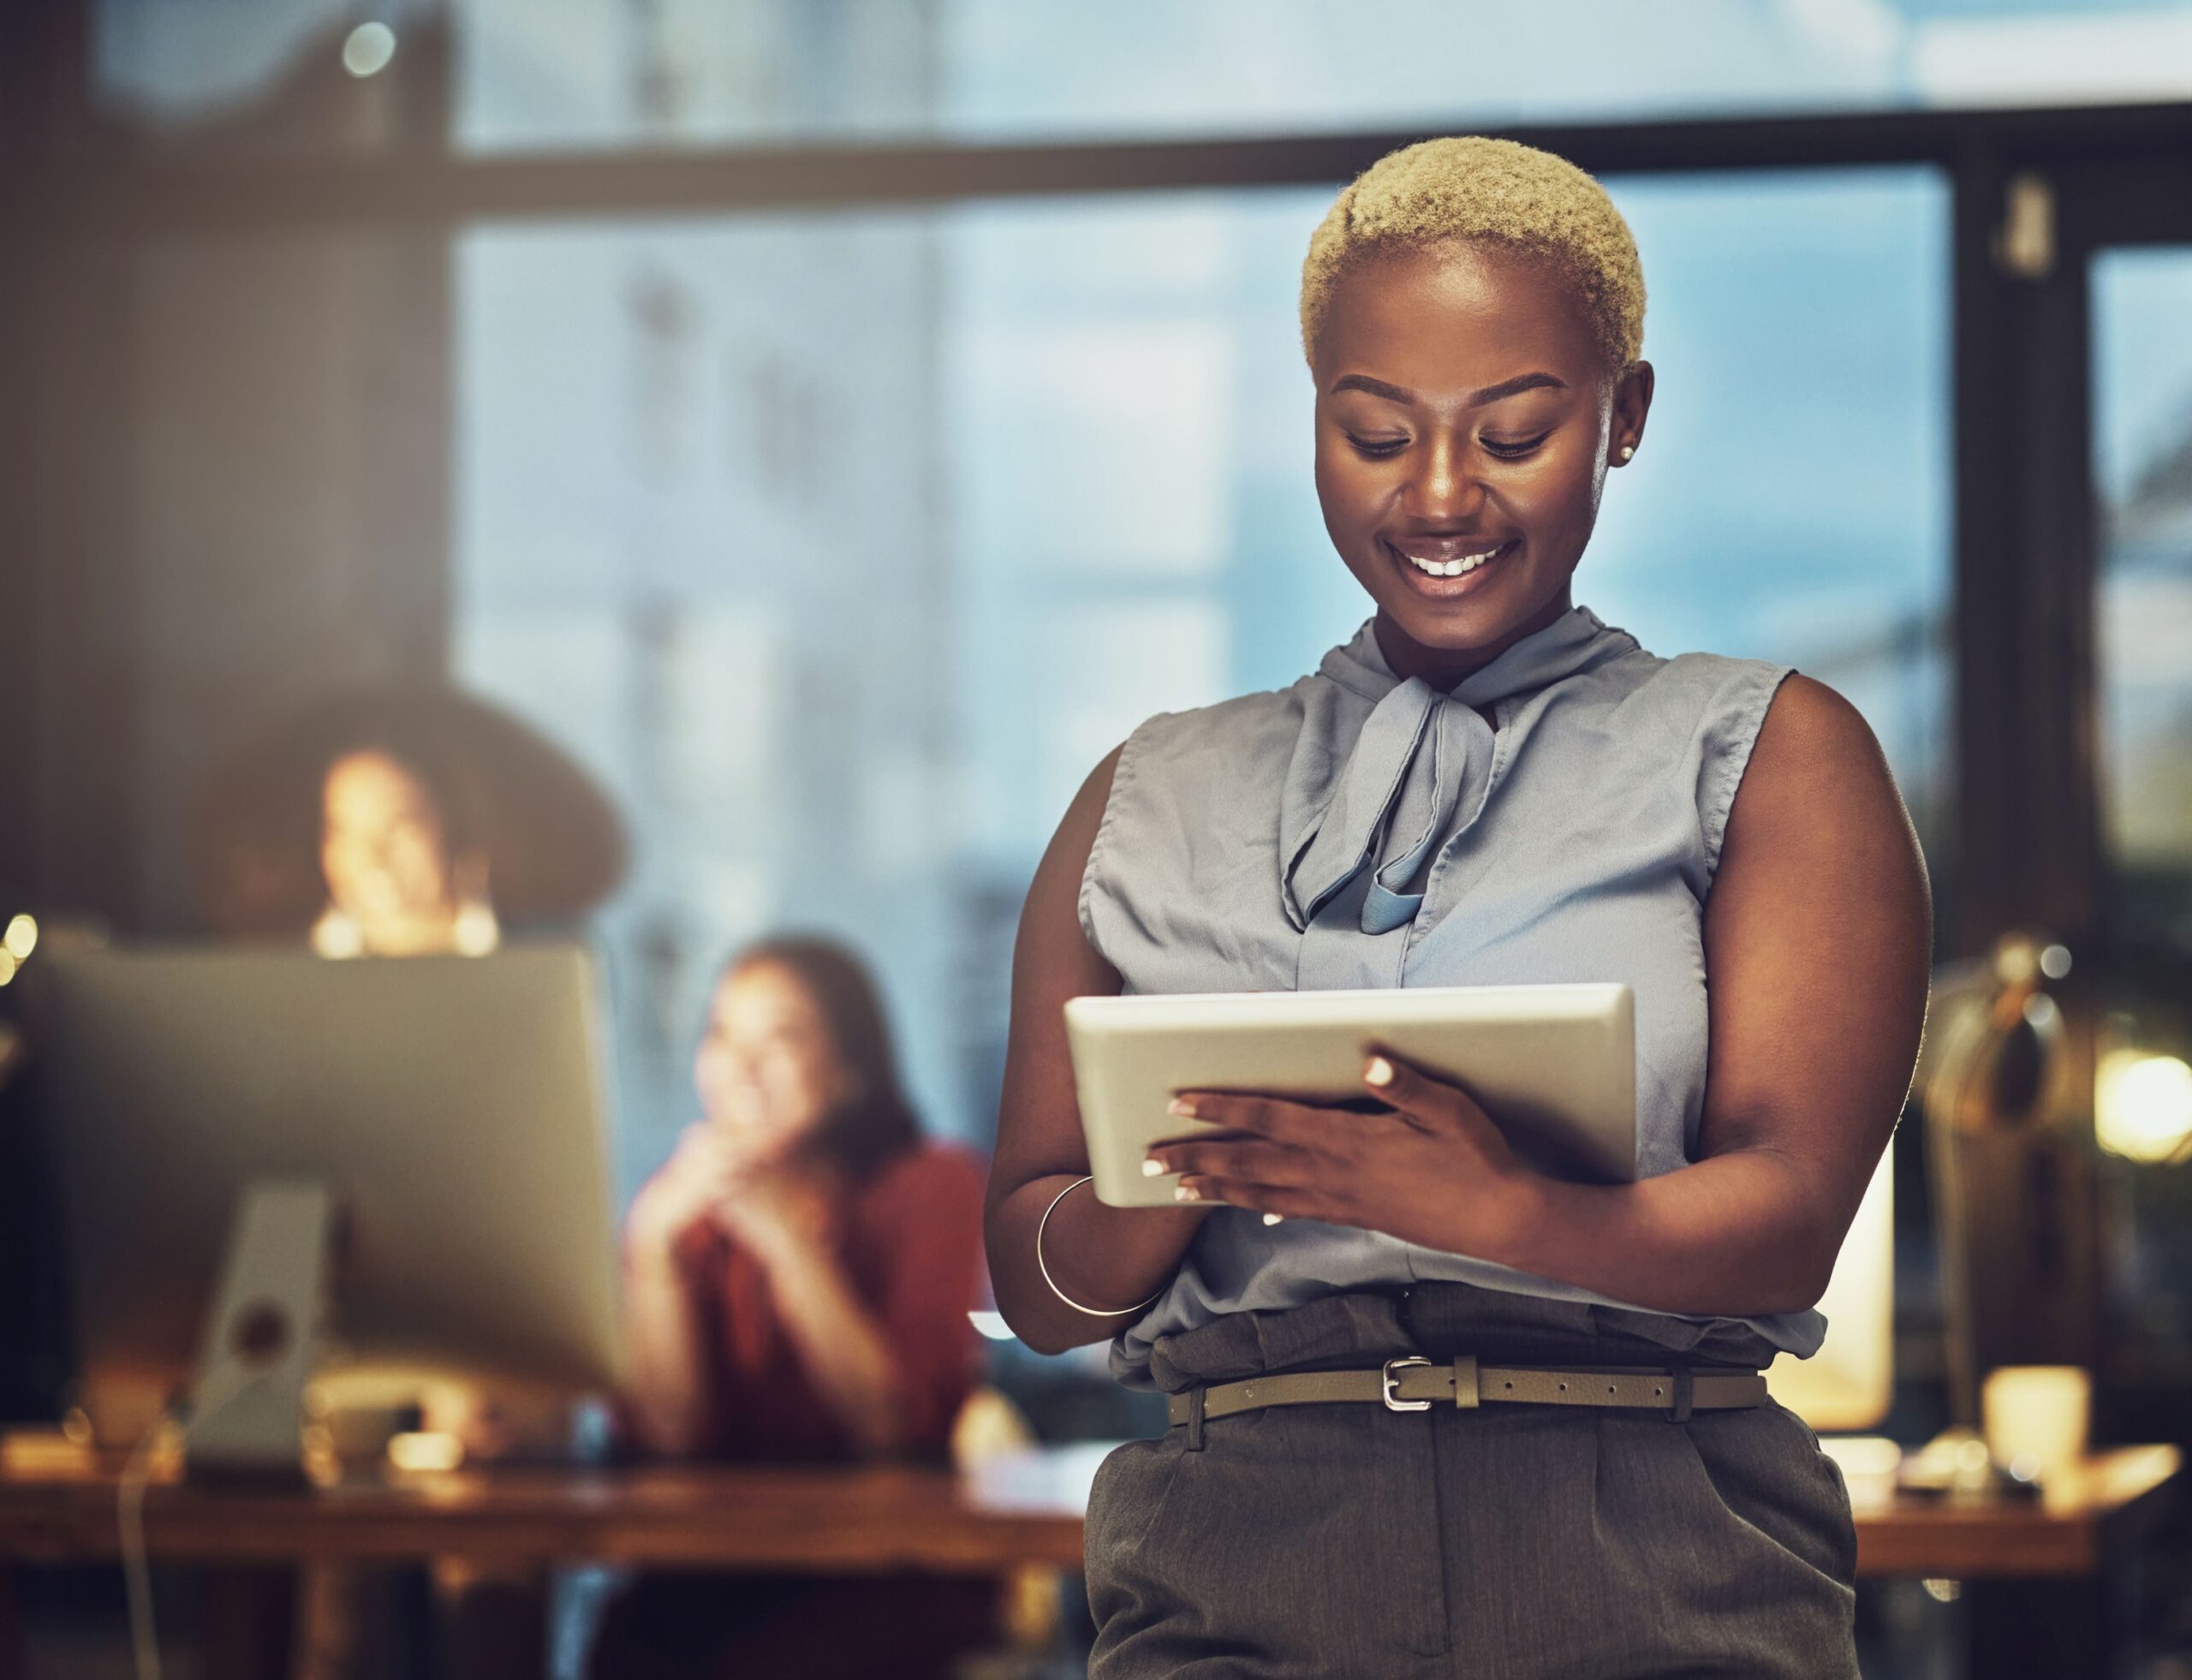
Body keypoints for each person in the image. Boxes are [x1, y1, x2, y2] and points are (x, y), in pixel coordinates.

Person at [986, 136, 1932, 1677]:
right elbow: (1035, 1279)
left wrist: (1505, 1213)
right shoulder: (1148, 794)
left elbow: (1791, 1218)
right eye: (1375, 433)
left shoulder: (1769, 754)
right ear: (1315, 425)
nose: (1438, 494)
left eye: (1513, 431)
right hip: (1241, 1570)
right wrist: (1181, 1174)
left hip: (1657, 1564)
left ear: (1623, 417)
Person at [591, 936, 997, 1679]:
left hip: (884, 1570)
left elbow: (892, 1423)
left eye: (779, 1038)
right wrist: (651, 1251)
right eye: (721, 1035)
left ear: (847, 1072)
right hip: (717, 1568)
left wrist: (783, 1239)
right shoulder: (692, 1214)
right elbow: (673, 1441)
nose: (740, 1068)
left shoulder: (932, 1183)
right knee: (624, 1644)